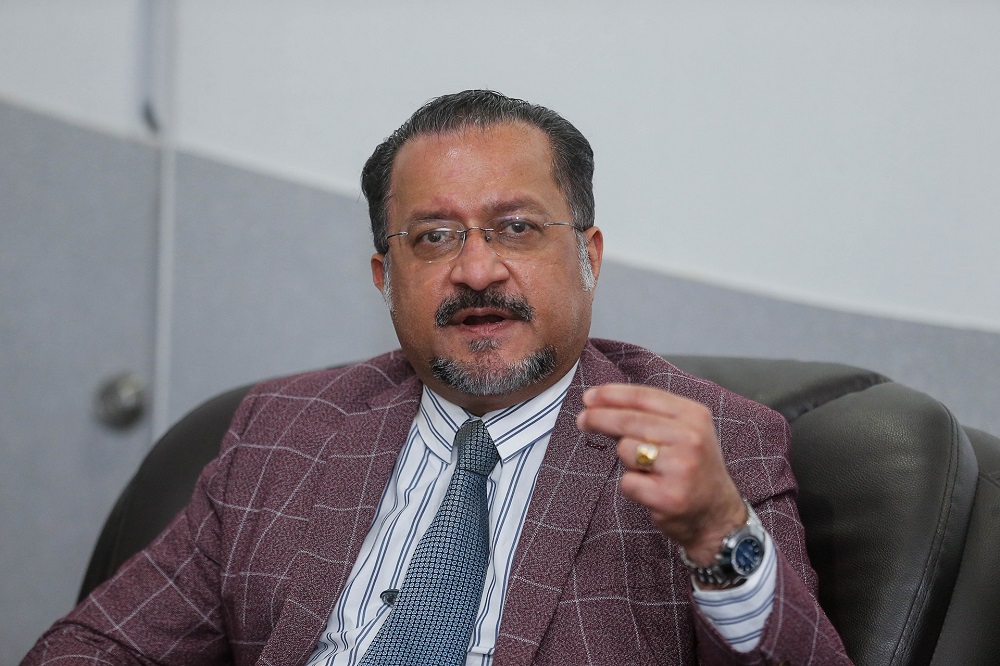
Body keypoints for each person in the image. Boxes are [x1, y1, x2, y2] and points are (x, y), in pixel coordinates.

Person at [23, 90, 849, 665]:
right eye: (433, 239)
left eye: (516, 228)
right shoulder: (283, 431)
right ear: (384, 277)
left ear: (587, 259)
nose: (478, 269)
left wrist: (717, 537)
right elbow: (101, 646)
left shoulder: (715, 441)